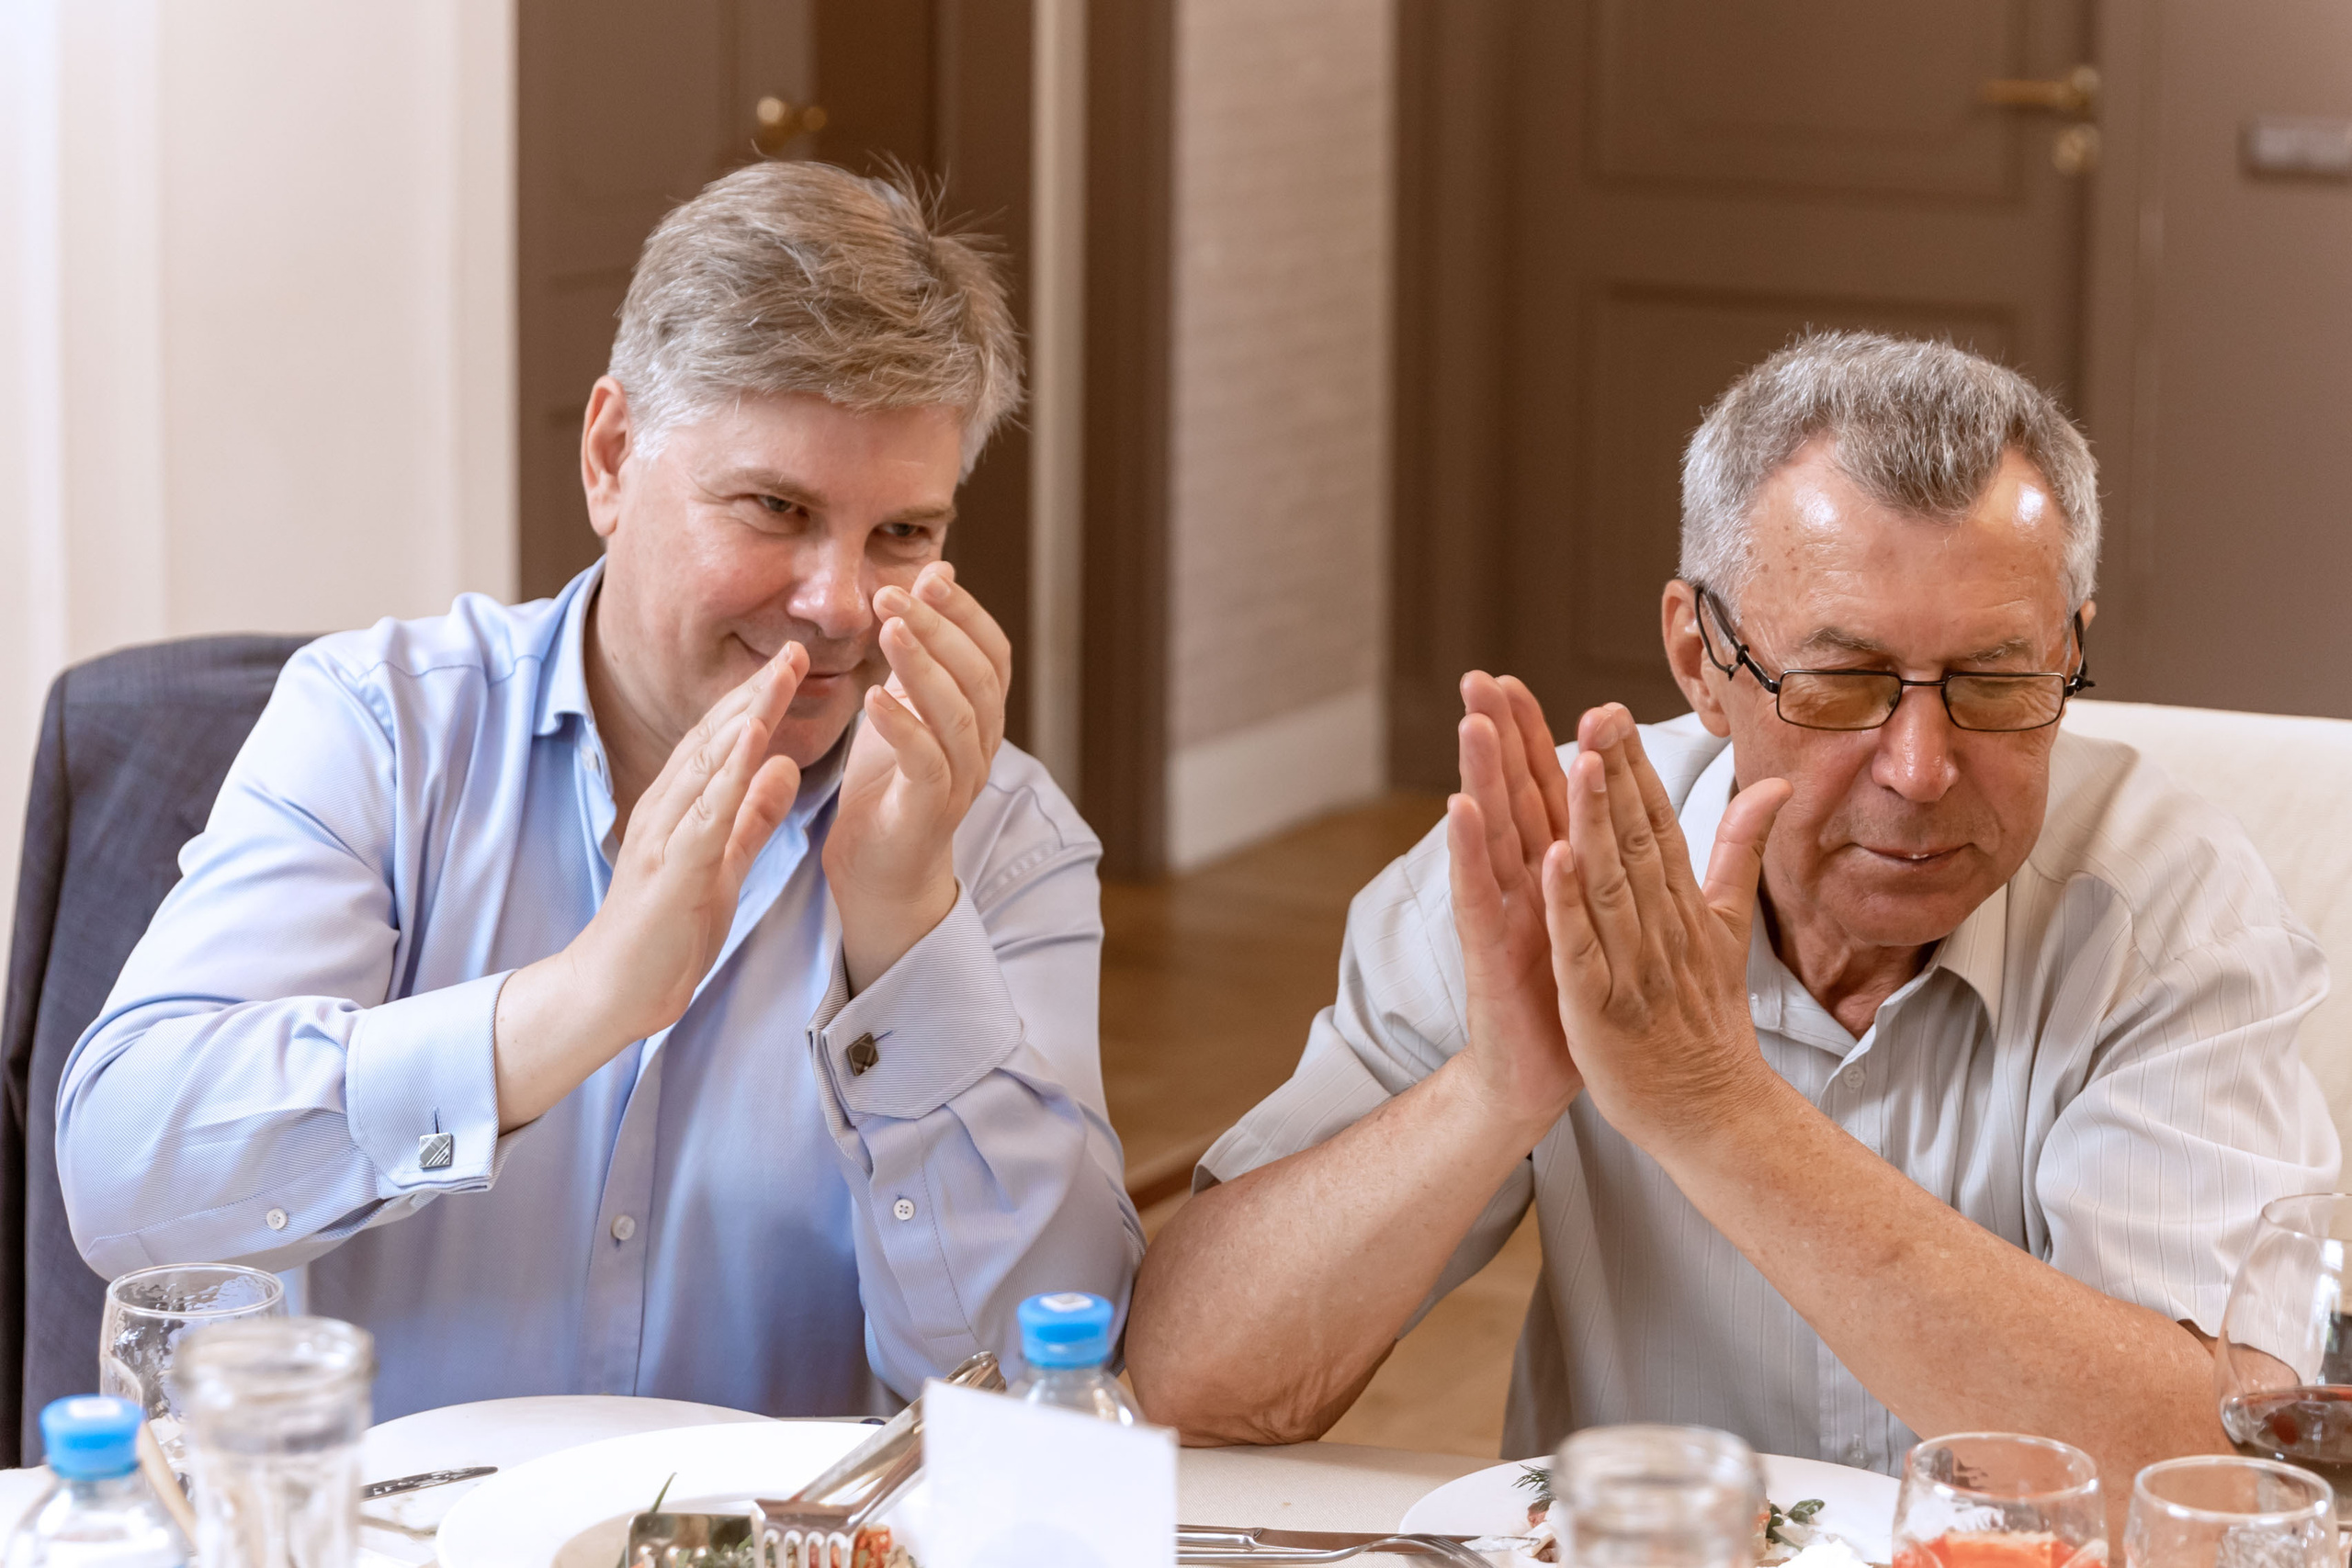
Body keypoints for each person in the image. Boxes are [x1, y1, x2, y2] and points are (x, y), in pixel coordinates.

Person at [1126, 333, 2338, 1493]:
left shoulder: (2169, 915)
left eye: (1998, 682)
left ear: (2070, 652)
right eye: (1842, 682)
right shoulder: (1545, 868)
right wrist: (1497, 1088)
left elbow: (2223, 1481)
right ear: (1701, 659)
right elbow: (1189, 1382)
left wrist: (1717, 1110)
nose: (1920, 767)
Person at [58, 162, 1139, 1420]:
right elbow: (125, 1179)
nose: (841, 604)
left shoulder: (1000, 838)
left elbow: (1037, 1384)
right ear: (613, 456)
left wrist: (909, 938)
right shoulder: (382, 729)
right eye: (777, 508)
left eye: (902, 534)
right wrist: (575, 1004)